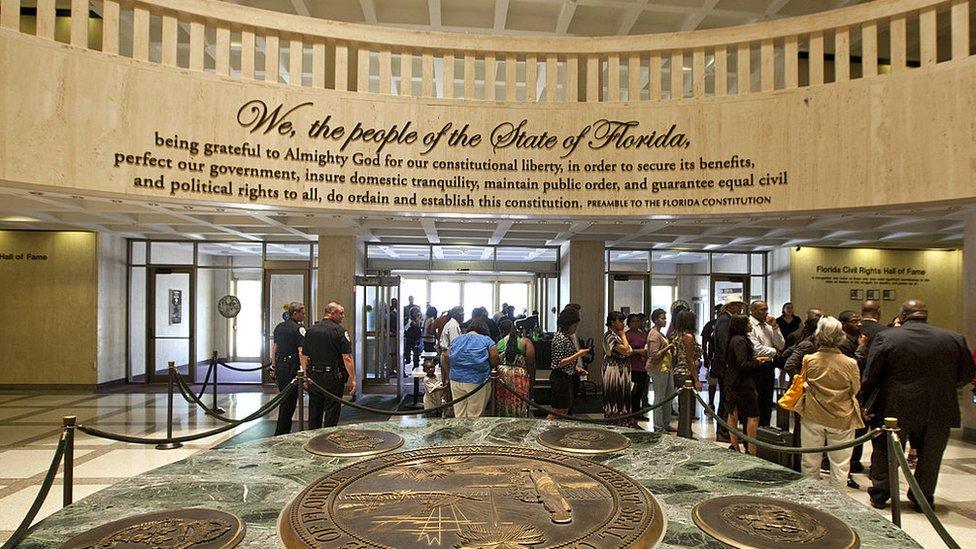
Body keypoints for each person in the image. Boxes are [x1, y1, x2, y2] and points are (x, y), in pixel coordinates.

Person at [860, 299, 975, 511]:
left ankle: (880, 494)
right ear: (925, 315)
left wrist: (863, 401)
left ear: (902, 315)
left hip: (895, 406)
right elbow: (967, 373)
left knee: (887, 452)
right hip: (939, 407)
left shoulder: (887, 337)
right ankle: (923, 498)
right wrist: (945, 387)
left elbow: (872, 375)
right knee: (931, 455)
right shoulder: (953, 338)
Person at [793, 316, 865, 488]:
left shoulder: (809, 360)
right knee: (840, 465)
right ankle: (837, 502)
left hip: (813, 414)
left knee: (810, 462)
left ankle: (810, 499)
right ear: (841, 336)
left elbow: (804, 383)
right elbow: (855, 389)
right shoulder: (850, 363)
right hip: (842, 417)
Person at [303, 302, 356, 429]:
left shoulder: (310, 330)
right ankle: (327, 439)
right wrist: (353, 378)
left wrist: (305, 375)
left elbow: (304, 356)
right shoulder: (340, 331)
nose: (343, 316)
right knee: (331, 411)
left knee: (314, 411)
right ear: (332, 313)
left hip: (314, 376)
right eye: (341, 313)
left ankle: (312, 439)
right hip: (332, 377)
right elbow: (347, 357)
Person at [725, 314, 771, 455]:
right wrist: (758, 362)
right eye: (748, 323)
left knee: (733, 412)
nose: (751, 325)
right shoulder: (740, 341)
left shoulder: (733, 339)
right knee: (753, 415)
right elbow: (743, 364)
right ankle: (752, 449)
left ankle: (735, 445)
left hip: (732, 381)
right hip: (742, 383)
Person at [441, 318, 499, 417]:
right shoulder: (486, 340)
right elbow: (495, 359)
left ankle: (460, 432)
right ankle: (473, 432)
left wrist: (449, 373)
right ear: (484, 329)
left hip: (456, 379)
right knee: (475, 414)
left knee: (459, 413)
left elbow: (445, 355)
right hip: (477, 380)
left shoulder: (457, 340)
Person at [712, 294, 745, 443]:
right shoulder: (725, 320)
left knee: (727, 400)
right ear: (730, 306)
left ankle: (725, 431)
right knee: (726, 401)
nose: (740, 308)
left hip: (725, 366)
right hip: (725, 367)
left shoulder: (725, 319)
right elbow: (724, 344)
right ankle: (723, 432)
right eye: (738, 305)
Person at [270, 302, 307, 436]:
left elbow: (274, 348)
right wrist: (304, 371)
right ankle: (282, 431)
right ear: (295, 313)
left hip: (280, 366)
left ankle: (283, 430)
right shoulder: (299, 329)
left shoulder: (279, 327)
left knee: (284, 399)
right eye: (302, 313)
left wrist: (273, 366)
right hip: (292, 368)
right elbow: (301, 351)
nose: (304, 315)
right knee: (289, 402)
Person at [747, 300, 785, 427]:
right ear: (753, 311)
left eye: (766, 309)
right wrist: (775, 352)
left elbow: (781, 344)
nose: (766, 312)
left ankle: (765, 431)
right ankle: (752, 436)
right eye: (762, 309)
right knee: (755, 404)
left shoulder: (769, 325)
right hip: (755, 368)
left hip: (769, 367)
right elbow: (756, 348)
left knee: (767, 403)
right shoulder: (749, 325)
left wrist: (775, 327)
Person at [548, 307, 590, 419]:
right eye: (574, 326)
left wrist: (576, 368)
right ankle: (543, 431)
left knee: (564, 409)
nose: (575, 329)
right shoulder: (560, 338)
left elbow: (565, 359)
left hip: (566, 376)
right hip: (560, 377)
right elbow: (560, 363)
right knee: (557, 410)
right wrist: (578, 354)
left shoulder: (565, 337)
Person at [495, 318, 536, 417]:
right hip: (520, 377)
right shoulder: (525, 342)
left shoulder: (498, 344)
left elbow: (494, 361)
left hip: (502, 377)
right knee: (520, 404)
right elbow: (531, 363)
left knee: (504, 404)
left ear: (501, 331)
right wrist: (532, 380)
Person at [603, 311, 635, 427]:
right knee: (615, 395)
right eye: (620, 321)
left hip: (623, 370)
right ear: (612, 322)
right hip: (614, 370)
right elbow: (626, 350)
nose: (623, 324)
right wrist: (623, 336)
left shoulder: (616, 335)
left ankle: (624, 421)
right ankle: (615, 421)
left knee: (623, 395)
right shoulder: (609, 336)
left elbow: (629, 350)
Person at [646, 308, 676, 433]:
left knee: (668, 397)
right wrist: (668, 347)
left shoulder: (660, 333)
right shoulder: (654, 334)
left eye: (665, 318)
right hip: (659, 369)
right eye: (662, 318)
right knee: (659, 397)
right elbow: (654, 354)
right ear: (655, 320)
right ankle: (658, 426)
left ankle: (665, 422)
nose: (665, 320)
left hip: (666, 368)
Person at [670, 310, 703, 393]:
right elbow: (689, 359)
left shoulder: (677, 334)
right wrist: (696, 380)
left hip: (679, 372)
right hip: (686, 373)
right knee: (688, 403)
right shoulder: (688, 337)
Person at [625, 314, 649, 420]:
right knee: (632, 390)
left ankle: (637, 411)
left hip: (643, 366)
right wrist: (638, 351)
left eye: (638, 321)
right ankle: (630, 412)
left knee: (640, 390)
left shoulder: (643, 334)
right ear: (629, 323)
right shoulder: (627, 335)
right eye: (634, 321)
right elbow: (626, 351)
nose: (636, 323)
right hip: (632, 366)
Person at [701, 304, 723, 410]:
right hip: (712, 357)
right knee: (712, 382)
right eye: (717, 312)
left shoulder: (728, 323)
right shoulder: (710, 325)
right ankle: (710, 402)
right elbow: (704, 343)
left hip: (724, 358)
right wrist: (705, 357)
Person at [404, 306, 423, 375]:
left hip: (413, 340)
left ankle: (415, 367)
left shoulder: (412, 321)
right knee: (414, 355)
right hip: (412, 340)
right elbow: (417, 331)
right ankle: (415, 367)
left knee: (415, 355)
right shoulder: (412, 323)